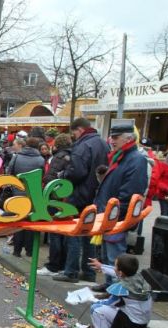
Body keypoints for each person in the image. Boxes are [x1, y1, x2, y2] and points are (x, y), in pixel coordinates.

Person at [92, 123, 149, 290]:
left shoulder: (136, 159)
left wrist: (115, 216)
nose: (112, 140)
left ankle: (117, 290)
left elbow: (131, 193)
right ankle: (110, 285)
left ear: (128, 138)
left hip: (117, 218)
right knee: (108, 256)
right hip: (109, 216)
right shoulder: (121, 157)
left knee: (116, 258)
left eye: (116, 137)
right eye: (112, 137)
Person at [53, 118, 109, 284]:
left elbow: (77, 172)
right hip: (95, 195)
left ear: (79, 130)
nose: (74, 136)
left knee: (75, 233)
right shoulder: (103, 144)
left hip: (79, 195)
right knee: (89, 234)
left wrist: (63, 174)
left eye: (74, 133)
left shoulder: (83, 146)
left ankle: (71, 271)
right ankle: (89, 272)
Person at [80, 254, 151, 328]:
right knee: (102, 306)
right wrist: (101, 266)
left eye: (115, 266)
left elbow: (110, 303)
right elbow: (117, 272)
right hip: (141, 320)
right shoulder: (137, 277)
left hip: (132, 323)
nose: (114, 268)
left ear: (120, 272)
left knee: (96, 308)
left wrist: (91, 298)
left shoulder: (123, 288)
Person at [37, 134, 73, 276]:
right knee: (64, 233)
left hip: (56, 198)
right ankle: (63, 264)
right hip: (68, 198)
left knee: (55, 233)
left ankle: (53, 265)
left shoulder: (58, 157)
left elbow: (50, 177)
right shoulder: (72, 156)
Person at [6, 137, 45, 257]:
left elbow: (9, 172)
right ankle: (29, 250)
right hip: (33, 194)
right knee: (31, 221)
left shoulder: (17, 157)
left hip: (17, 192)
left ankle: (17, 250)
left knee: (19, 220)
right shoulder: (41, 160)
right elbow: (43, 176)